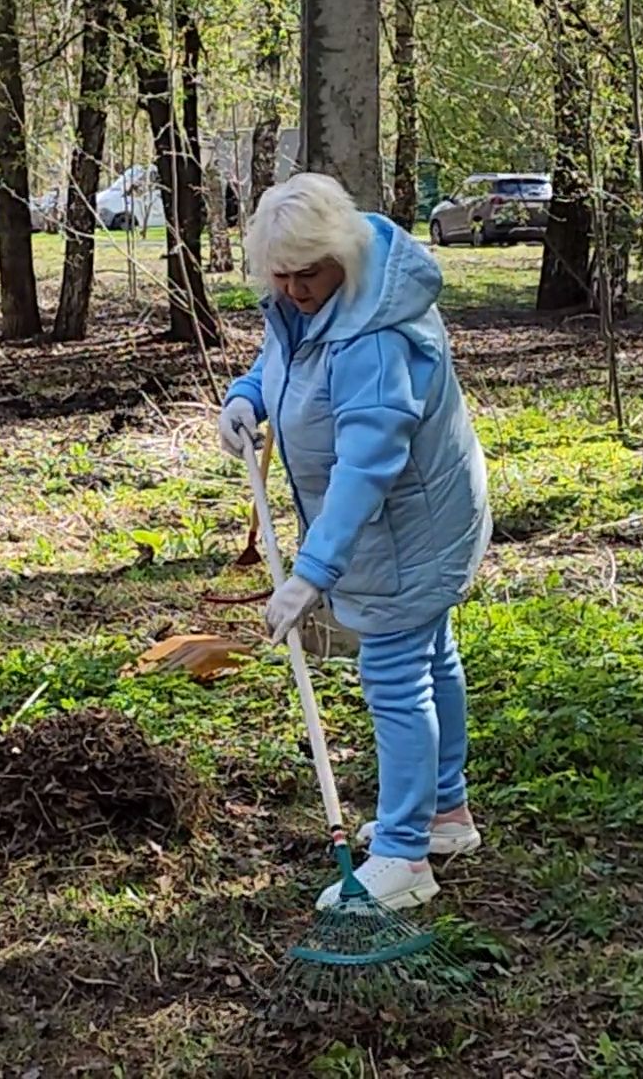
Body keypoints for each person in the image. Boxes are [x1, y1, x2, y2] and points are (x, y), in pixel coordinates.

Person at [219, 173, 491, 911]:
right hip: (405, 526)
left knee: (396, 675)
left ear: (339, 255)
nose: (296, 291)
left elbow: (366, 465)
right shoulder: (316, 300)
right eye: (281, 277)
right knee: (431, 656)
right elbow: (286, 355)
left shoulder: (375, 337)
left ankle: (403, 857)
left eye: (309, 275)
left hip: (404, 530)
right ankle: (445, 814)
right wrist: (247, 395)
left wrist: (311, 573)